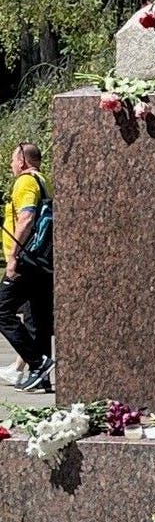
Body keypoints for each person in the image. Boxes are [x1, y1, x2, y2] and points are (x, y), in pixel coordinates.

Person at [0, 142, 54, 393]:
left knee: (2, 310)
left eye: (12, 160)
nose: (12, 165)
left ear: (22, 160)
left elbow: (27, 217)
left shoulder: (25, 181)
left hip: (26, 260)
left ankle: (37, 362)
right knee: (37, 319)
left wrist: (13, 256)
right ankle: (40, 377)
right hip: (42, 262)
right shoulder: (44, 180)